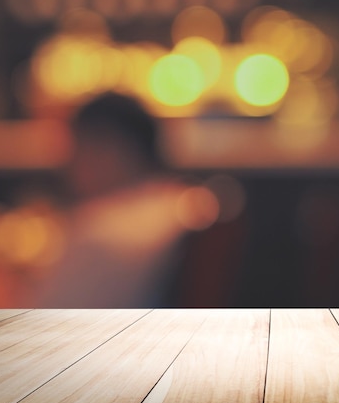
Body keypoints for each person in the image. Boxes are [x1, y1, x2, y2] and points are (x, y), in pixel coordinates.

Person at [27, 92, 206, 307]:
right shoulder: (186, 204)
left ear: (110, 148)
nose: (67, 165)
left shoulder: (101, 231)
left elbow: (40, 322)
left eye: (76, 148)